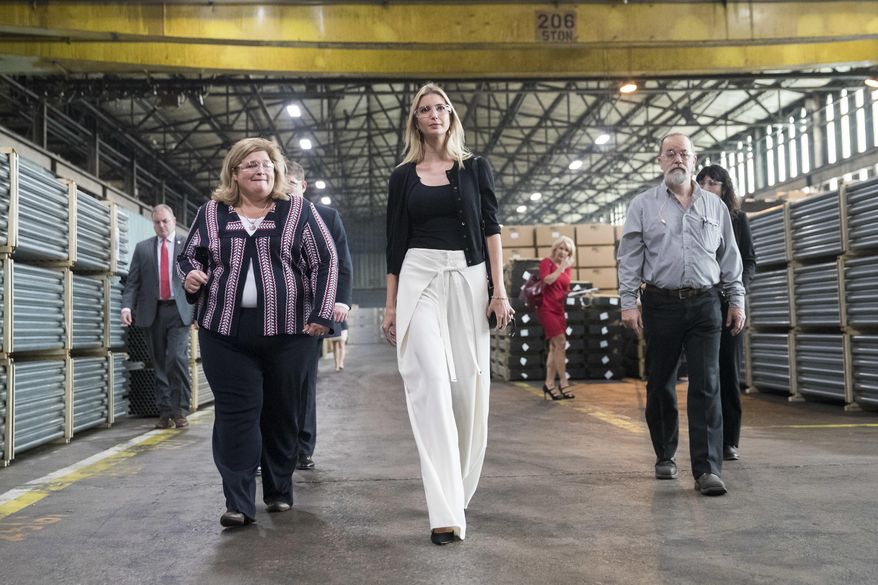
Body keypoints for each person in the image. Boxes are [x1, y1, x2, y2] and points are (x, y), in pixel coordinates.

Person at [177, 137, 338, 527]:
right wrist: (192, 276)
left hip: (290, 332)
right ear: (234, 173)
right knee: (236, 415)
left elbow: (325, 261)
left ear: (277, 171)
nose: (260, 170)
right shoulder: (212, 213)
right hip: (225, 332)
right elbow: (189, 255)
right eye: (250, 164)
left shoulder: (298, 211)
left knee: (282, 413)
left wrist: (322, 313)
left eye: (266, 164)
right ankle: (238, 502)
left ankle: (279, 490)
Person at [382, 82, 514, 545]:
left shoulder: (475, 168)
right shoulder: (403, 176)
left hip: (468, 277)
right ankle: (443, 511)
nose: (434, 114)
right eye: (425, 110)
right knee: (432, 384)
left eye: (440, 108)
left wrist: (499, 290)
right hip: (418, 276)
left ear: (451, 115)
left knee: (468, 393)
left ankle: (457, 490)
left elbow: (492, 229)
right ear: (415, 120)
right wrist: (392, 303)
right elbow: (394, 242)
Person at [617, 132, 745, 497]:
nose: (677, 159)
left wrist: (737, 300)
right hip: (661, 303)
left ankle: (707, 469)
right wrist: (629, 302)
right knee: (660, 383)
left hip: (706, 303)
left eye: (683, 153)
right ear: (660, 161)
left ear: (694, 159)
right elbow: (630, 259)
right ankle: (665, 454)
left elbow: (730, 259)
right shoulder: (643, 205)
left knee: (707, 383)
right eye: (670, 153)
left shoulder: (715, 207)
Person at [287, 160, 353, 471]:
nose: (283, 190)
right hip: (273, 314)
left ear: (303, 186)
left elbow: (341, 263)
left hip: (311, 313)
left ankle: (302, 448)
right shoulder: (265, 216)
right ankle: (271, 448)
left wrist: (340, 302)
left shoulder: (326, 217)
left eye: (290, 184)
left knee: (304, 382)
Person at [696, 164, 756, 462]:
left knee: (727, 371)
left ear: (724, 188)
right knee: (705, 375)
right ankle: (709, 439)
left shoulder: (737, 219)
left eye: (714, 183)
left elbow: (748, 261)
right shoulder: (693, 218)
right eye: (703, 182)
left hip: (729, 304)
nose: (708, 187)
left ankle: (730, 439)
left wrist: (737, 295)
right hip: (700, 304)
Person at [121, 204, 194, 429]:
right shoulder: (143, 249)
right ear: (153, 223)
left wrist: (201, 312)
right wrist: (126, 307)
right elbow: (133, 281)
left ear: (173, 220)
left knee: (176, 358)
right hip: (152, 312)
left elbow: (199, 282)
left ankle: (180, 410)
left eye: (165, 221)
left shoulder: (187, 246)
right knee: (159, 363)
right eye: (157, 222)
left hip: (179, 311)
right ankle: (165, 412)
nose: (161, 226)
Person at [537, 236, 576, 400]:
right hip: (546, 308)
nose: (563, 251)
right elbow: (548, 280)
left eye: (566, 249)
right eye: (560, 248)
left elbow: (563, 288)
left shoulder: (568, 269)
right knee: (560, 342)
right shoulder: (547, 262)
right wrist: (561, 268)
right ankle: (564, 382)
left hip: (559, 309)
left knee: (554, 347)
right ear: (555, 249)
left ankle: (549, 383)